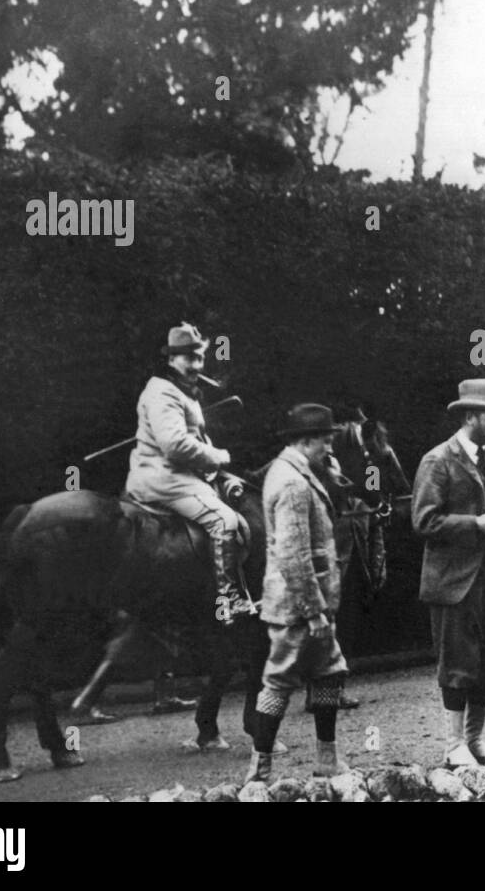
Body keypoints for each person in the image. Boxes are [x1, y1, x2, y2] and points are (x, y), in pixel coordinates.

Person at [411, 379, 485, 767]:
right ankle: (453, 744)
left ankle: (474, 739)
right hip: (454, 581)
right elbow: (424, 521)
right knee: (457, 663)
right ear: (471, 416)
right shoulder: (437, 461)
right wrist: (476, 524)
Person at [245, 404, 351, 782]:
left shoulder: (297, 472)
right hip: (297, 608)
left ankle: (327, 760)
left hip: (308, 604)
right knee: (279, 682)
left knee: (328, 674)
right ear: (305, 441)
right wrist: (314, 611)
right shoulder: (292, 482)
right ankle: (259, 770)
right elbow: (293, 556)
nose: (329, 448)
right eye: (325, 441)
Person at [124, 323, 253, 624]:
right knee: (225, 520)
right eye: (188, 358)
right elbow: (175, 445)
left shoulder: (182, 391)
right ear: (171, 360)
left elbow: (193, 436)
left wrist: (214, 462)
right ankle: (229, 599)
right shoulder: (163, 393)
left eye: (199, 358)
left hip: (180, 474)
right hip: (165, 478)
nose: (196, 365)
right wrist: (219, 457)